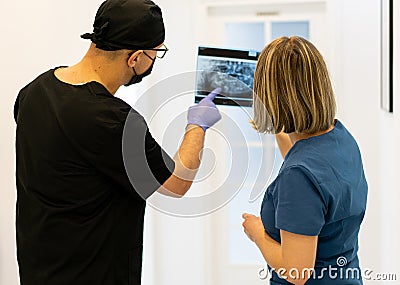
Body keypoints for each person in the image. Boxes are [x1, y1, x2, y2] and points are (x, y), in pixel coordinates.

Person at [13, 0, 221, 284]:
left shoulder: (33, 92)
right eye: (156, 53)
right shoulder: (111, 119)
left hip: (38, 272)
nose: (154, 61)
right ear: (134, 58)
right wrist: (198, 123)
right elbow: (177, 182)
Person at [242, 36, 368, 285]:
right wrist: (275, 118)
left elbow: (297, 272)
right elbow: (305, 167)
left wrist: (257, 233)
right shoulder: (340, 137)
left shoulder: (298, 176)